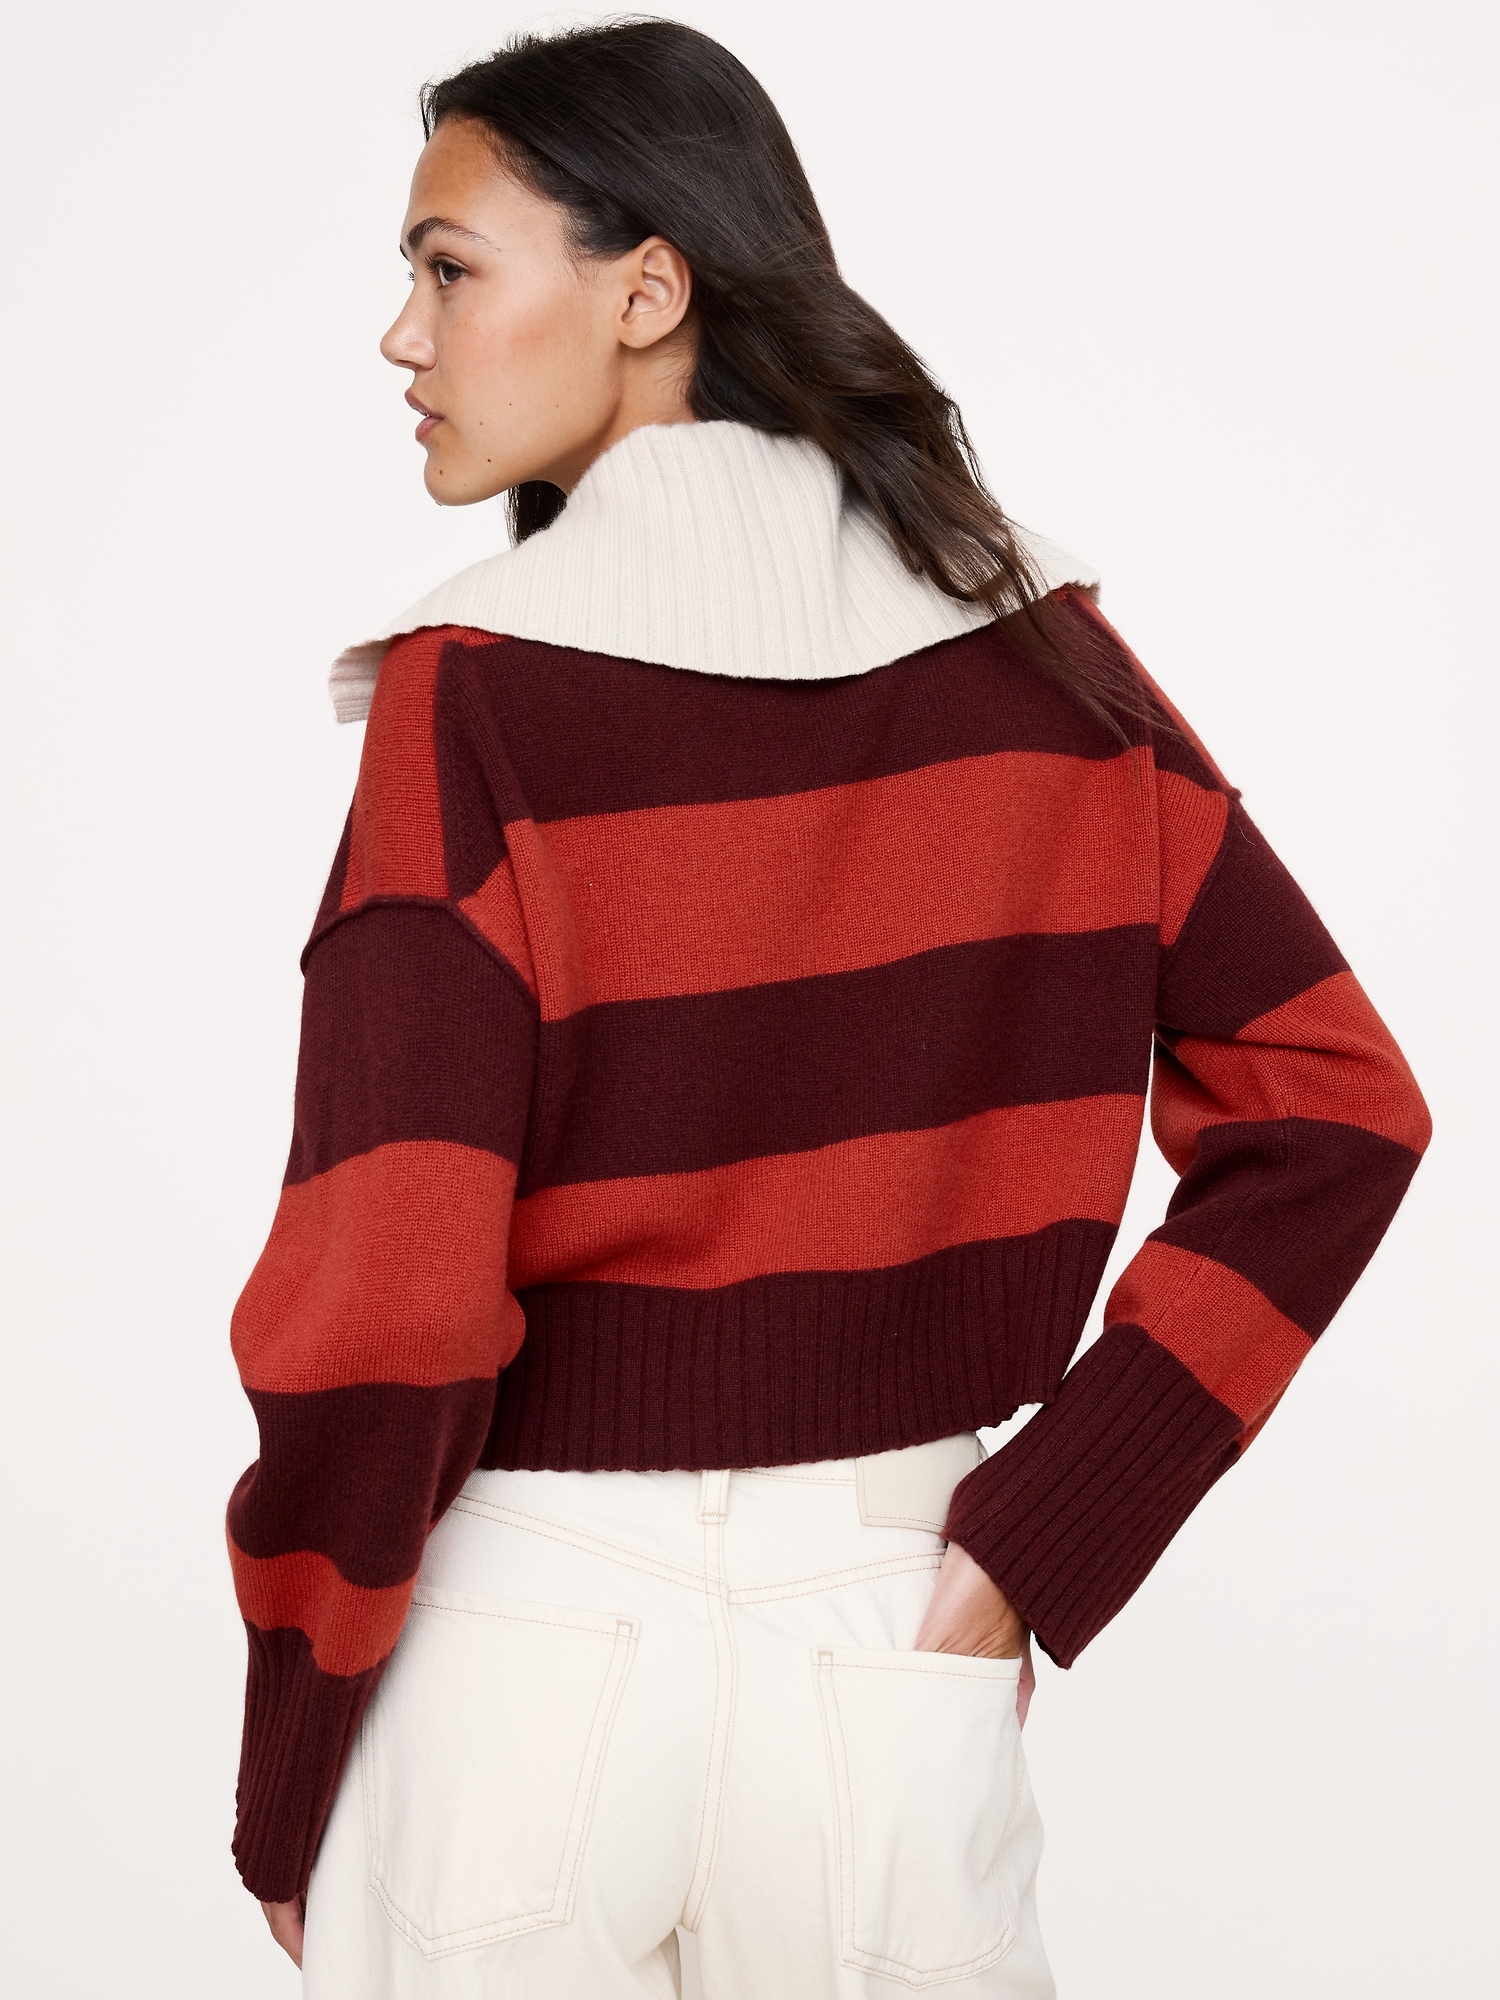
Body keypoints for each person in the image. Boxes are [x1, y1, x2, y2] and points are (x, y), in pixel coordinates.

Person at [225, 21, 1429, 1997]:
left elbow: (391, 1295)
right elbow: (1339, 1106)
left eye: (447, 266)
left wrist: (295, 1737)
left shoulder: (478, 701)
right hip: (889, 1630)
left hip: (521, 1639)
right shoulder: (1056, 670)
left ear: (648, 290)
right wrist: (1035, 1536)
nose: (401, 335)